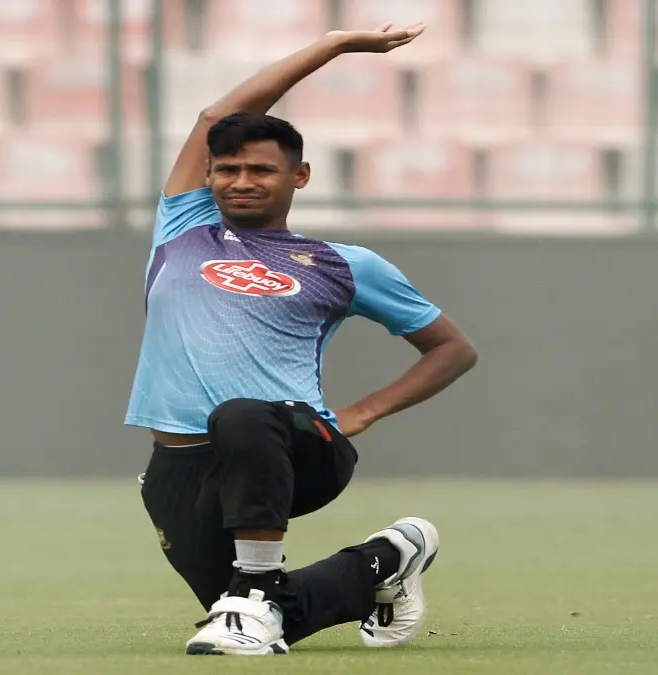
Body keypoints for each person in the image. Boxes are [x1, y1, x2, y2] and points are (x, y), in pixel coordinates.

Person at [125, 21, 478, 656]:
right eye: (226, 168)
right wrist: (333, 43)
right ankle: (388, 557)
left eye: (261, 169)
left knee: (240, 421)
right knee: (250, 610)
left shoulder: (344, 265)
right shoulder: (183, 226)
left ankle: (255, 589)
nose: (240, 180)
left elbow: (452, 348)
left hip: (293, 449)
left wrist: (364, 412)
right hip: (180, 467)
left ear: (301, 176)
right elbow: (215, 115)